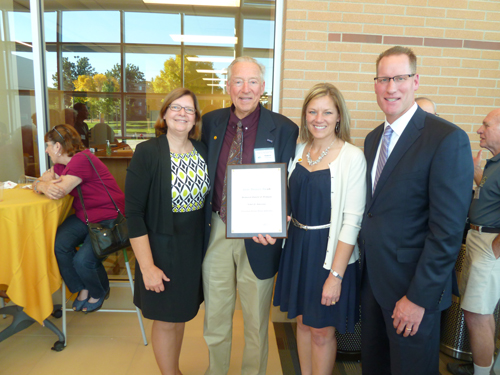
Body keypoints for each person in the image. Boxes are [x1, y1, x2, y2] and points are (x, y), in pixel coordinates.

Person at [358, 46, 474, 375]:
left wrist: (418, 298)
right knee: (374, 367)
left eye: (400, 77)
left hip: (411, 293)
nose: (391, 87)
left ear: (416, 81)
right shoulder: (372, 140)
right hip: (373, 285)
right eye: (383, 79)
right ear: (375, 84)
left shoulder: (446, 139)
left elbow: (447, 232)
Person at [201, 56, 298, 375]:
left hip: (260, 234)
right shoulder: (211, 123)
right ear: (227, 86)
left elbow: (292, 182)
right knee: (216, 315)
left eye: (252, 81)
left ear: (263, 87)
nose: (245, 89)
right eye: (238, 82)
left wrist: (281, 217)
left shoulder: (285, 129)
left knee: (256, 322)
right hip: (217, 228)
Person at [273, 83, 366, 375]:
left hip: (330, 256)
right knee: (301, 323)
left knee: (322, 332)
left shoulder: (352, 157)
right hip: (298, 248)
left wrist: (335, 276)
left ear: (339, 116)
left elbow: (352, 222)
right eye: (312, 111)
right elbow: (287, 199)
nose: (319, 118)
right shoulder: (298, 150)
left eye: (327, 111)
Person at [125, 88, 209, 375]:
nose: (182, 114)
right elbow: (133, 214)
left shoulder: (202, 151)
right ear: (164, 114)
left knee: (181, 315)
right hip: (159, 248)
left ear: (196, 118)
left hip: (191, 248)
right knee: (164, 319)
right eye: (175, 107)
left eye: (188, 109)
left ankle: (175, 370)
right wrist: (147, 266)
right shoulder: (147, 152)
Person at [33, 124, 125, 313]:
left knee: (83, 261)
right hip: (86, 216)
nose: (46, 150)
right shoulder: (63, 165)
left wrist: (42, 184)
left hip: (108, 218)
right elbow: (45, 178)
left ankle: (99, 290)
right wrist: (41, 184)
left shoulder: (82, 159)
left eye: (48, 145)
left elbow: (57, 190)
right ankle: (81, 287)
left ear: (58, 147)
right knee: (58, 245)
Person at [447, 108, 500, 375]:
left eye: (486, 125)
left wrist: (494, 250)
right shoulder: (495, 163)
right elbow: (490, 196)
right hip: (479, 239)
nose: (480, 129)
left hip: (490, 245)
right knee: (482, 312)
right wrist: (477, 170)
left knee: (477, 315)